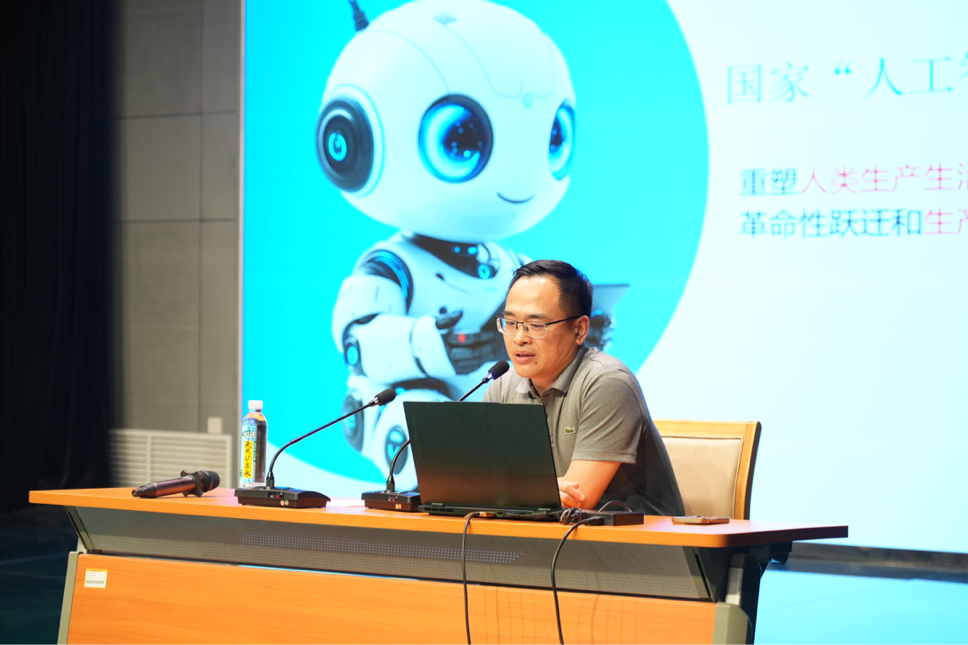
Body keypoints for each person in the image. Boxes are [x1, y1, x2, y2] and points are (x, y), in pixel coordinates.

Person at [483, 260, 685, 516]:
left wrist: (507, 491)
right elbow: (476, 482)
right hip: (542, 534)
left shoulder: (608, 382)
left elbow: (576, 500)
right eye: (511, 323)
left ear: (579, 330)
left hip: (634, 537)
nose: (519, 338)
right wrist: (532, 491)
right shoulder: (502, 384)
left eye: (536, 325)